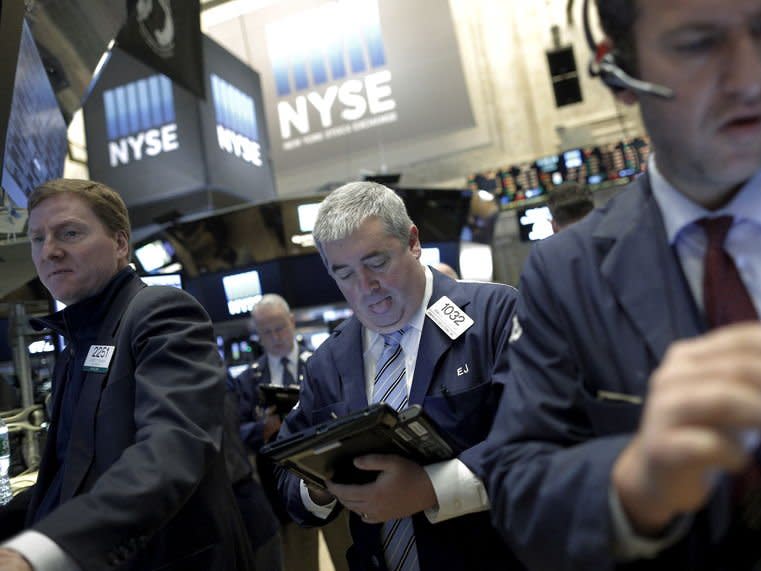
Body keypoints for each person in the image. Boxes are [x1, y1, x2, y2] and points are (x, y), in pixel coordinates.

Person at [484, 0, 761, 569]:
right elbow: (518, 487)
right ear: (619, 74)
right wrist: (636, 483)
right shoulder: (566, 274)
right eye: (698, 44)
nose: (750, 78)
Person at [0, 179, 255, 570]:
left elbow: (172, 449)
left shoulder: (160, 311)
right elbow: (69, 479)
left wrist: (39, 550)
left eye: (69, 232)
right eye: (38, 238)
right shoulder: (79, 340)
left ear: (120, 244)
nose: (50, 251)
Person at [274, 181, 521, 570]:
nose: (365, 287)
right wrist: (320, 485)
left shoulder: (494, 316)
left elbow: (540, 434)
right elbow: (289, 475)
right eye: (345, 274)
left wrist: (431, 488)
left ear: (413, 242)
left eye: (376, 263)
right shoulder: (328, 361)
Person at [229, 294, 352, 571]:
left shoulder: (322, 363)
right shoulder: (248, 380)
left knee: (348, 556)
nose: (275, 337)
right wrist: (263, 428)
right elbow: (233, 433)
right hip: (281, 491)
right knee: (298, 564)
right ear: (257, 334)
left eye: (280, 327)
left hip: (332, 479)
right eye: (267, 331)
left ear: (292, 322)